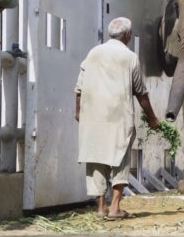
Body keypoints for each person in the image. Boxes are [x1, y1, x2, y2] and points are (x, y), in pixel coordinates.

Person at [74, 17, 160, 220]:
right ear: (128, 35)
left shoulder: (93, 53)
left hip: (93, 117)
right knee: (120, 159)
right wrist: (152, 118)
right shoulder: (129, 57)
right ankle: (115, 208)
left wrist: (78, 112)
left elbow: (79, 88)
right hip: (118, 117)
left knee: (96, 159)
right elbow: (141, 92)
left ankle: (101, 208)